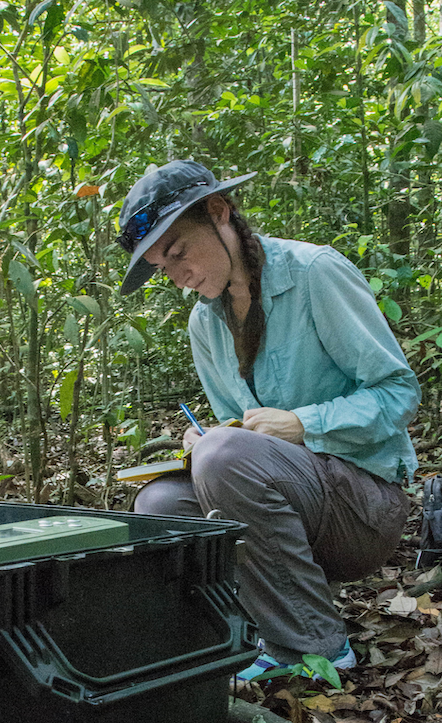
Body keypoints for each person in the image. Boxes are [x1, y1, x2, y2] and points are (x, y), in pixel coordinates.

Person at [115, 160, 420, 680]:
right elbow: (240, 429)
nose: (178, 275)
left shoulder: (314, 273)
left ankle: (315, 648)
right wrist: (211, 438)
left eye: (179, 252)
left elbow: (399, 393)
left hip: (365, 506)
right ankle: (236, 635)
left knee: (223, 456)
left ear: (219, 212)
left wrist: (302, 424)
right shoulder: (202, 322)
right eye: (163, 268)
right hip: (289, 503)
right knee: (160, 502)